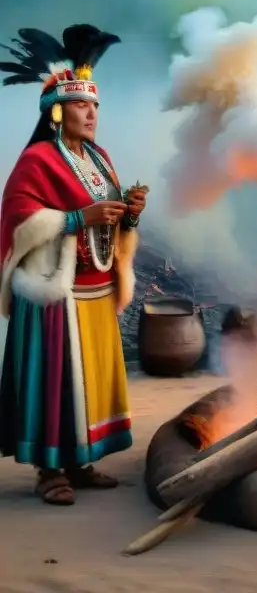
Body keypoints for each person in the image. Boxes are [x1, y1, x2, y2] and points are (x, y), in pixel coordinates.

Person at [0, 25, 147, 506]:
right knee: (56, 381)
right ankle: (49, 471)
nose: (92, 114)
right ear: (58, 111)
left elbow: (108, 218)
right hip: (54, 292)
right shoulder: (38, 160)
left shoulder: (100, 160)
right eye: (83, 105)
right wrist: (75, 218)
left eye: (96, 106)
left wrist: (129, 213)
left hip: (97, 286)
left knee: (90, 381)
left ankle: (80, 463)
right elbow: (19, 219)